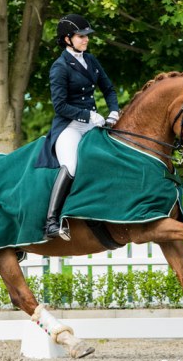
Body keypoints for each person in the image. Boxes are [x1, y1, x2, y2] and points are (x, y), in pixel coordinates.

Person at [35, 14, 120, 241]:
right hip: (69, 127)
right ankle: (51, 222)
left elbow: (109, 88)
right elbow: (60, 106)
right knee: (71, 165)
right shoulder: (59, 67)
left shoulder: (90, 60)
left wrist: (113, 111)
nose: (86, 40)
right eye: (81, 37)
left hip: (91, 125)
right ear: (67, 39)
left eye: (86, 37)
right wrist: (89, 115)